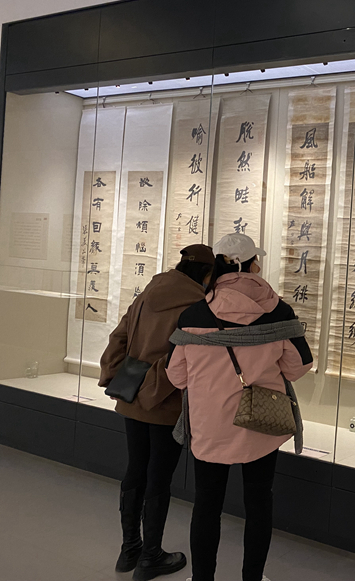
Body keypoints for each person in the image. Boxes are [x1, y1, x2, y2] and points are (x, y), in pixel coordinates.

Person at [166, 233, 313, 581]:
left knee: (207, 505)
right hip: (261, 422)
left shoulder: (193, 314)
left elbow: (176, 375)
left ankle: (202, 578)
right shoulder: (279, 312)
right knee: (259, 502)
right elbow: (299, 366)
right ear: (251, 265)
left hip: (209, 426)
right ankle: (253, 578)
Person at [100, 244, 216, 581]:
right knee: (159, 477)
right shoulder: (198, 305)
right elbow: (185, 357)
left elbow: (119, 336)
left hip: (133, 395)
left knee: (135, 468)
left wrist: (117, 375)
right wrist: (157, 386)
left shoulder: (148, 292)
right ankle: (151, 555)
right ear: (206, 273)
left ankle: (129, 549)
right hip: (167, 401)